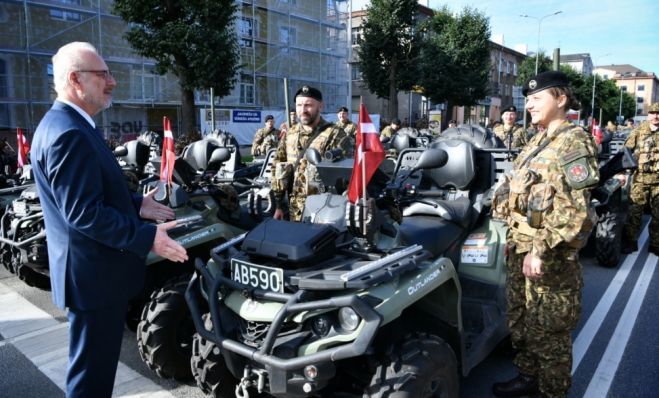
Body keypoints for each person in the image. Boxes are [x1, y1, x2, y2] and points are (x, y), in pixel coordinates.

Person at [30, 42, 188, 398]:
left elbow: (90, 194)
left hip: (90, 274)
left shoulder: (66, 123)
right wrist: (147, 236)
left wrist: (137, 204)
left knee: (93, 371)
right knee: (91, 379)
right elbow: (83, 213)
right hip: (93, 278)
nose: (112, 81)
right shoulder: (70, 133)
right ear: (76, 80)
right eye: (103, 74)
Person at [492, 71, 599, 398]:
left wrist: (539, 250)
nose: (529, 105)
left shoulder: (573, 140)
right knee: (522, 324)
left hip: (549, 256)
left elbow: (575, 211)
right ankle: (528, 376)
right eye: (527, 99)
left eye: (537, 98)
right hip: (520, 247)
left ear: (561, 99)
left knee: (549, 333)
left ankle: (552, 391)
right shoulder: (537, 140)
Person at [271, 85, 350, 221]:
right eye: (299, 105)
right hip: (292, 208)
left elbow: (346, 177)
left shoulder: (335, 134)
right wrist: (278, 205)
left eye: (308, 105)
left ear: (320, 107)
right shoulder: (290, 133)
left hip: (323, 211)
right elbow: (278, 168)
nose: (303, 110)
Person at [621, 102, 659, 255]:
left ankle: (656, 244)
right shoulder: (639, 130)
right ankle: (631, 242)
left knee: (658, 215)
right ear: (648, 114)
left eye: (658, 113)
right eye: (653, 113)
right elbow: (626, 151)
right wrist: (622, 172)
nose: (656, 116)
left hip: (658, 181)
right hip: (640, 179)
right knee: (634, 212)